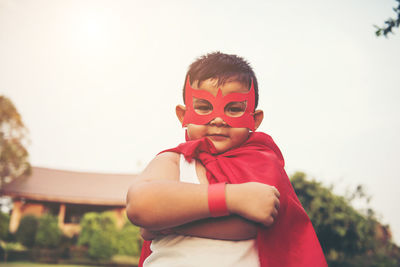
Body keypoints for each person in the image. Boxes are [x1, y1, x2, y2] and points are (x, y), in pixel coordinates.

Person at [126, 52, 327, 267]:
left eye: (234, 108)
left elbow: (251, 223)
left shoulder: (262, 163)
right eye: (204, 107)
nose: (219, 119)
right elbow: (140, 205)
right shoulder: (174, 161)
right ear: (183, 115)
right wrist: (232, 198)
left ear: (255, 119)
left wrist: (166, 225)